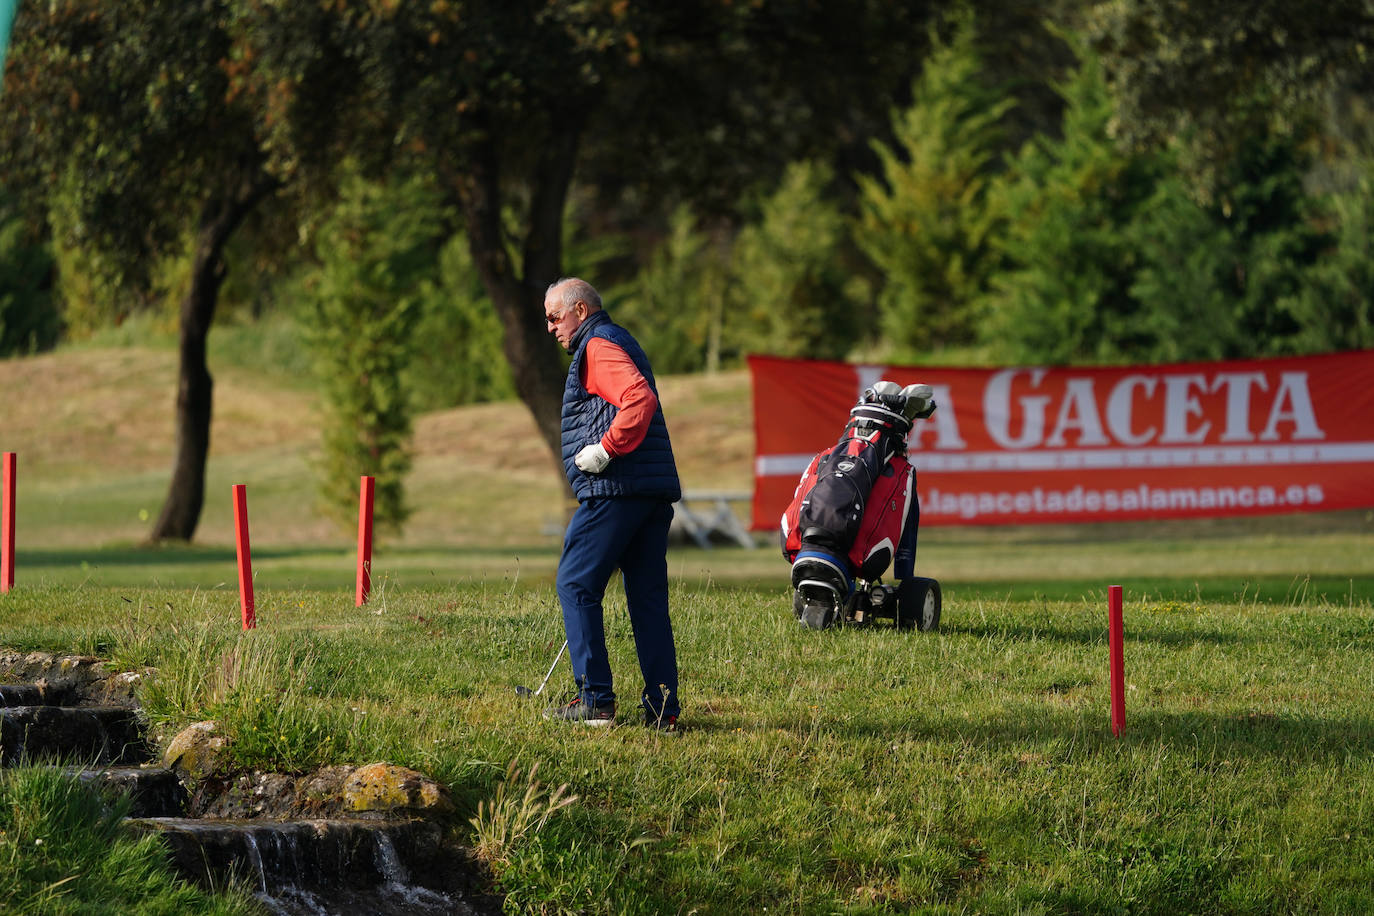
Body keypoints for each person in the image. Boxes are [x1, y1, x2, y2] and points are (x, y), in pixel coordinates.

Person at [542, 277, 682, 732]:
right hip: (649, 493)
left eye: (554, 317)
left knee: (575, 583)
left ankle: (595, 701)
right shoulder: (618, 339)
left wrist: (606, 448)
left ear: (580, 310)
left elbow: (638, 399)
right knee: (647, 602)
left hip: (616, 491)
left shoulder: (597, 345)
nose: (550, 328)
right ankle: (663, 710)